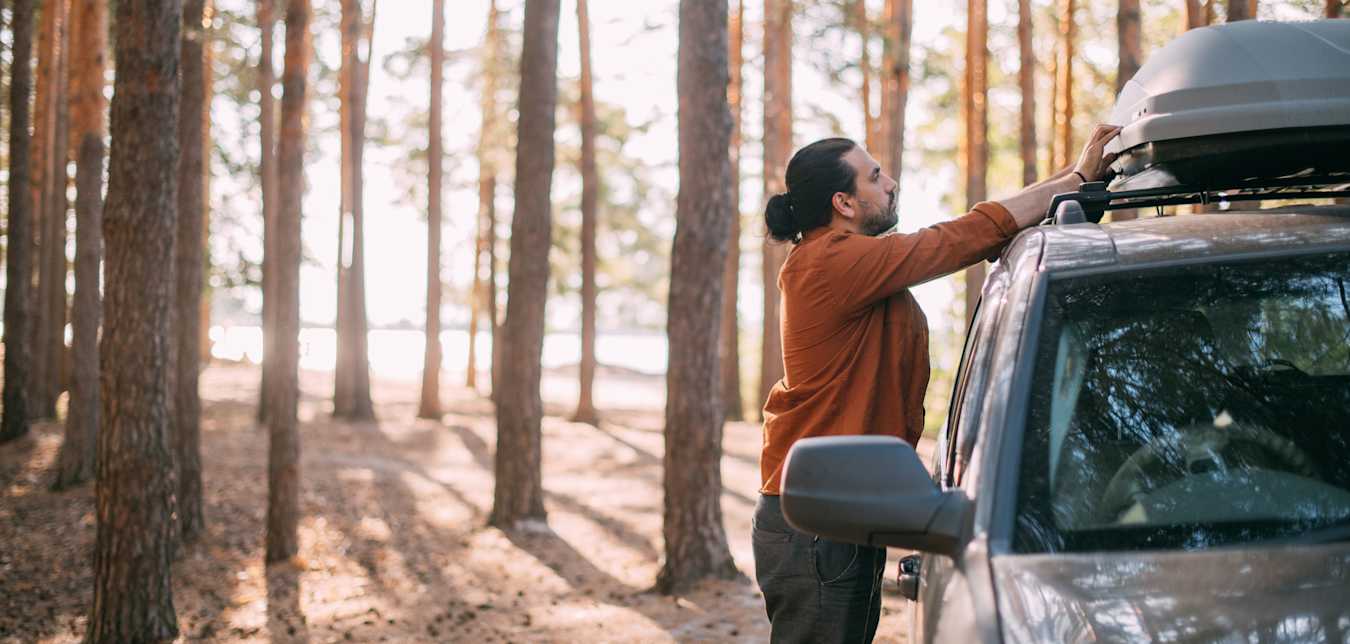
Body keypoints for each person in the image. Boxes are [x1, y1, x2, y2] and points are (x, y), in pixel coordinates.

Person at [751, 124, 1122, 644]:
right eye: (875, 177)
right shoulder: (829, 263)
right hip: (814, 520)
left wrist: (1075, 181)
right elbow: (951, 241)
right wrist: (1078, 176)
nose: (891, 182)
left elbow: (965, 236)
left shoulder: (847, 263)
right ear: (844, 203)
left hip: (837, 507)